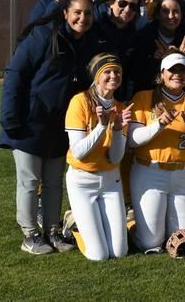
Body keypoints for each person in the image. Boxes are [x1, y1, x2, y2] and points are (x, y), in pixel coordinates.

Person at [0, 0, 98, 254]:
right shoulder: (43, 35)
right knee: (30, 181)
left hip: (60, 125)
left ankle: (53, 230)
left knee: (54, 181)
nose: (83, 18)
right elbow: (15, 74)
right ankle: (30, 234)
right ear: (65, 12)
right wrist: (10, 118)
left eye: (88, 13)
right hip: (30, 122)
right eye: (77, 12)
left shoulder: (88, 43)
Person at [127, 52, 185, 253]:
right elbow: (132, 140)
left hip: (182, 174)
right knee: (150, 244)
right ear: (162, 73)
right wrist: (159, 124)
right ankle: (131, 224)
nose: (177, 74)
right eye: (172, 70)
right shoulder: (144, 97)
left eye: (183, 70)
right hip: (149, 171)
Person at [64, 53, 133, 260]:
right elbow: (79, 152)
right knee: (99, 255)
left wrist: (119, 129)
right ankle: (73, 223)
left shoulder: (120, 108)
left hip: (111, 180)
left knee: (120, 252)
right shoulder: (80, 102)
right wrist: (102, 126)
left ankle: (99, 224)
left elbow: (115, 158)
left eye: (117, 72)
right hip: (82, 180)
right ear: (96, 76)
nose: (114, 76)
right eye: (108, 72)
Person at [131, 0, 185, 97]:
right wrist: (156, 61)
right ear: (157, 14)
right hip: (151, 98)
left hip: (184, 98)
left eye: (176, 12)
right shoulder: (145, 37)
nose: (171, 16)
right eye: (165, 11)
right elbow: (136, 76)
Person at [93, 0, 142, 101]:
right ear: (111, 3)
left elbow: (132, 73)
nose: (127, 9)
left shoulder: (136, 37)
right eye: (122, 3)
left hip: (117, 99)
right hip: (91, 94)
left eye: (133, 7)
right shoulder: (95, 28)